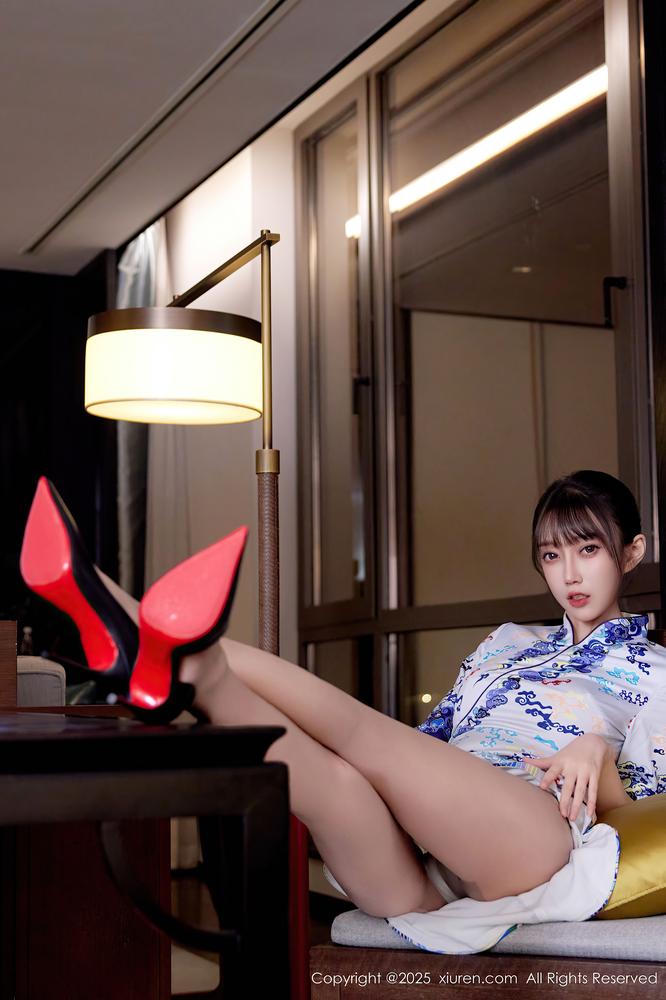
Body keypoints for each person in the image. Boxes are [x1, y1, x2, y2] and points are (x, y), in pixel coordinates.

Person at [19, 470, 666, 954]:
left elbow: (647, 810)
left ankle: (129, 619)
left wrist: (596, 751)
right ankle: (194, 669)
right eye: (552, 555)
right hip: (426, 873)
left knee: (362, 736)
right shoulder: (506, 642)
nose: (568, 574)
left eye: (588, 550)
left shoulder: (656, 672)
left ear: (632, 552)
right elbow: (436, 739)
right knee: (329, 778)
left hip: (534, 840)